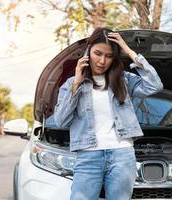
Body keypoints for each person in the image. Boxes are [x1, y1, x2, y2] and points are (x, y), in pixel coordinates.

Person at [53, 27, 163, 200]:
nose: (102, 61)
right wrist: (76, 83)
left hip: (122, 154)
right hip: (88, 155)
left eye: (109, 56)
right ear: (88, 51)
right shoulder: (71, 84)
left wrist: (129, 51)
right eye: (98, 53)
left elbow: (154, 85)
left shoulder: (124, 79)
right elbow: (60, 121)